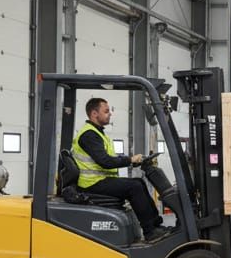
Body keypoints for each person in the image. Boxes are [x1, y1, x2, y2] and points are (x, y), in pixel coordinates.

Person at [72, 97, 176, 243]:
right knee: (134, 187)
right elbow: (105, 162)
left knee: (138, 182)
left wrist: (133, 161)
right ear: (94, 114)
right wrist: (130, 160)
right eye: (106, 111)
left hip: (98, 180)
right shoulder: (89, 135)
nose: (110, 114)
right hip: (92, 183)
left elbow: (106, 159)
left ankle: (154, 226)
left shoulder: (97, 132)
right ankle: (150, 231)